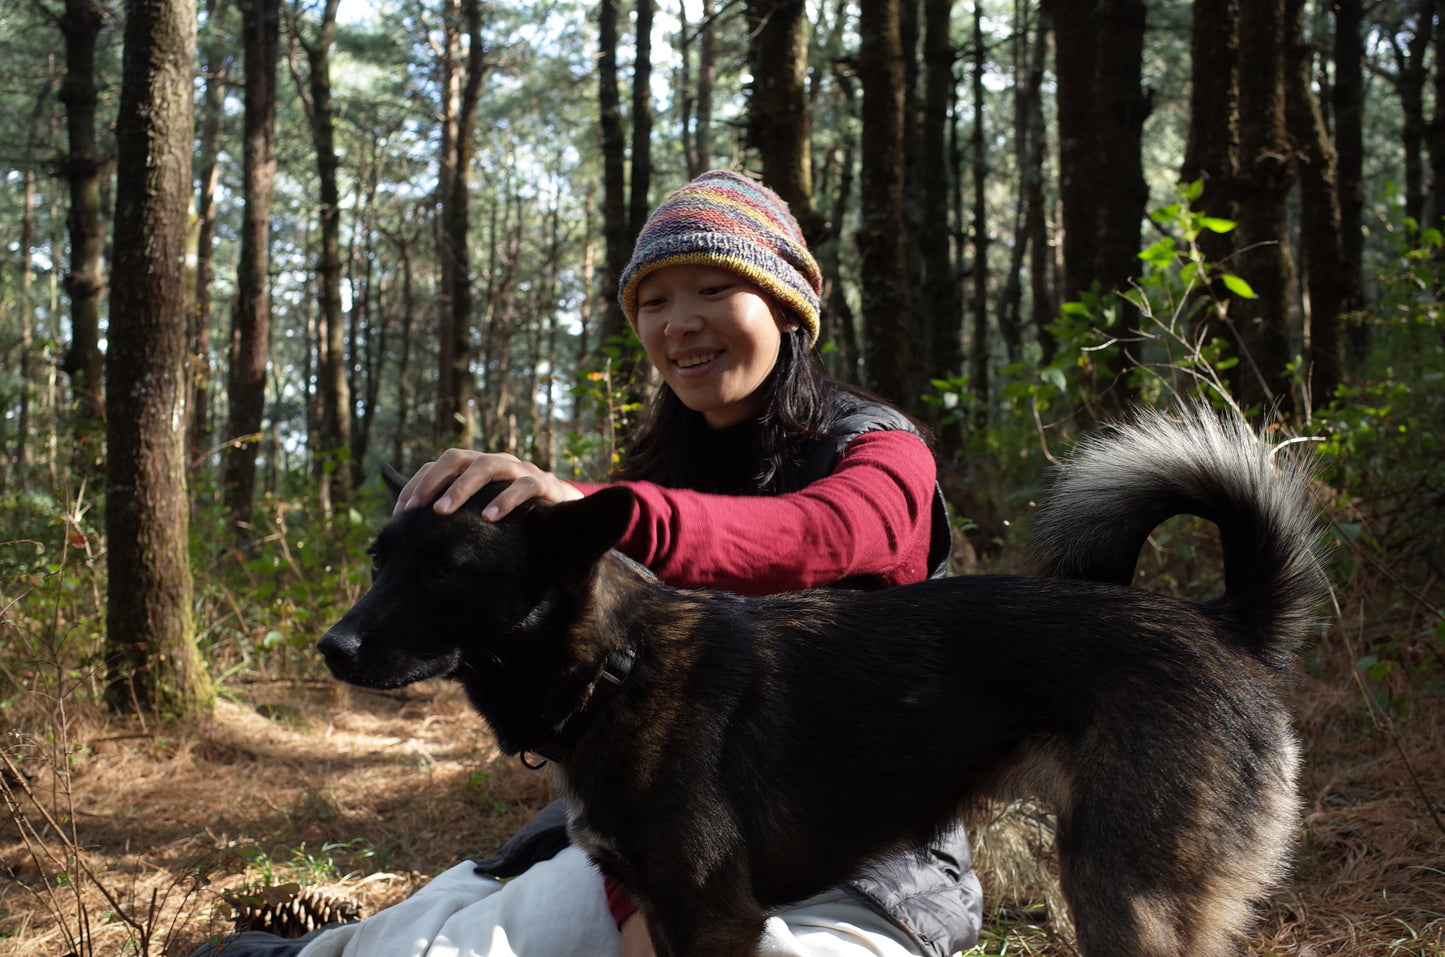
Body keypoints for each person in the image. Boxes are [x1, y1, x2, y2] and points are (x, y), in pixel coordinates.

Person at [194, 170, 982, 957]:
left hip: (863, 855)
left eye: (713, 288)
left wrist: (599, 510)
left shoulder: (879, 449)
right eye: (653, 302)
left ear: (787, 303)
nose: (681, 322)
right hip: (653, 827)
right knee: (449, 930)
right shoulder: (664, 467)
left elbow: (826, 534)